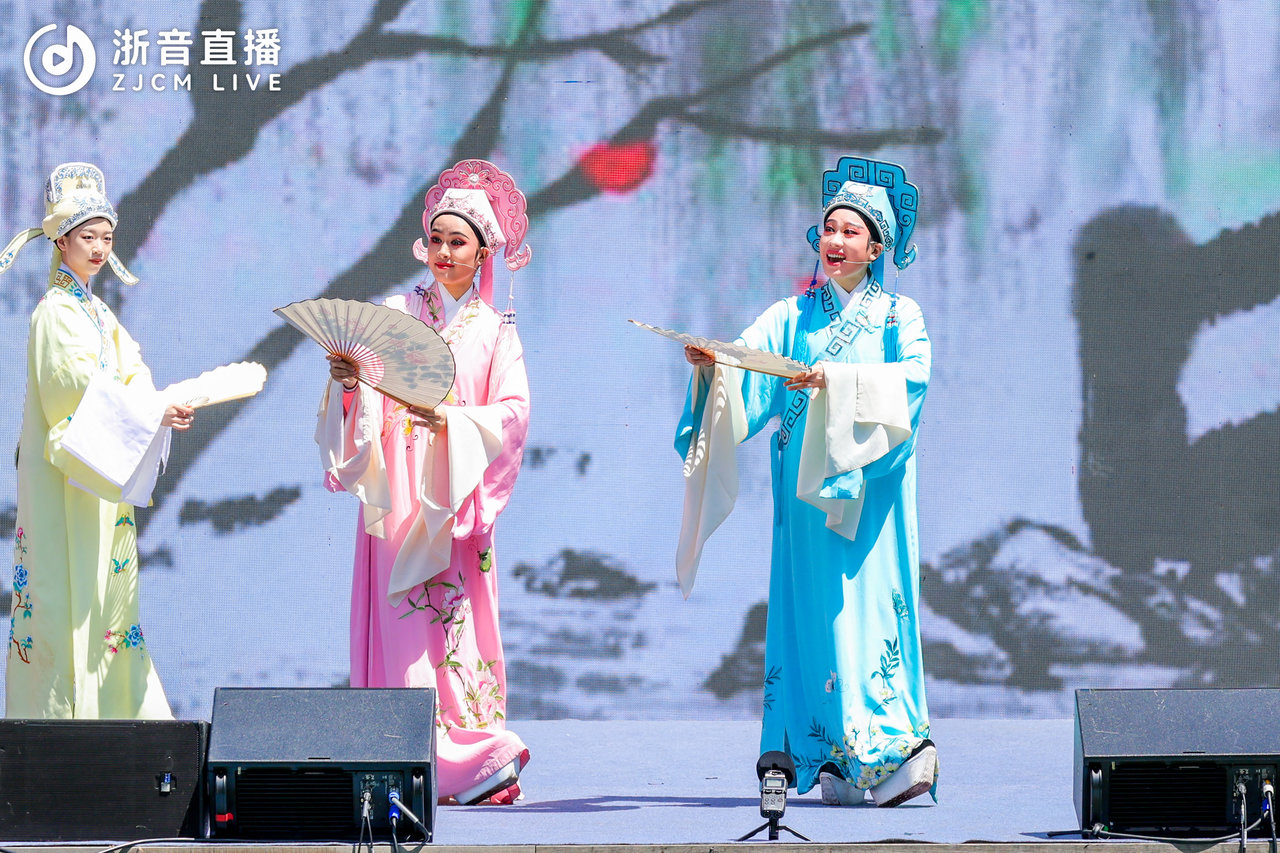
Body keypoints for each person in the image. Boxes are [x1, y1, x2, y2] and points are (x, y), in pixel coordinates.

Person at [675, 157, 936, 806]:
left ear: (876, 247)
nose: (836, 241)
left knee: (867, 613)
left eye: (852, 231)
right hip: (803, 499)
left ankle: (893, 747)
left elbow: (912, 383)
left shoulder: (899, 317)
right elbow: (747, 360)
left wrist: (837, 383)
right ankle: (831, 755)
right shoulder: (791, 315)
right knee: (812, 617)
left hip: (869, 498)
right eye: (829, 229)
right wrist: (714, 365)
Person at [317, 159, 532, 805]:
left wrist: (452, 421)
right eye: (436, 239)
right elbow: (364, 395)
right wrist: (350, 384)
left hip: (452, 492)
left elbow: (514, 413)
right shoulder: (396, 313)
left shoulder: (496, 332)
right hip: (397, 490)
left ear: (483, 252)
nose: (443, 252)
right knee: (403, 623)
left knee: (455, 622)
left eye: (457, 241)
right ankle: (403, 753)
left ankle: (469, 751)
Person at [2, 162, 194, 719]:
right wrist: (150, 410)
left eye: (106, 238)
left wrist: (158, 407)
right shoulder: (55, 312)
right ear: (61, 241)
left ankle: (118, 718)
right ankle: (63, 726)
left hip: (100, 475)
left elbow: (132, 374)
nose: (99, 248)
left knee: (108, 603)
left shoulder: (98, 312)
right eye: (88, 237)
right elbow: (74, 394)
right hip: (68, 476)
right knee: (63, 597)